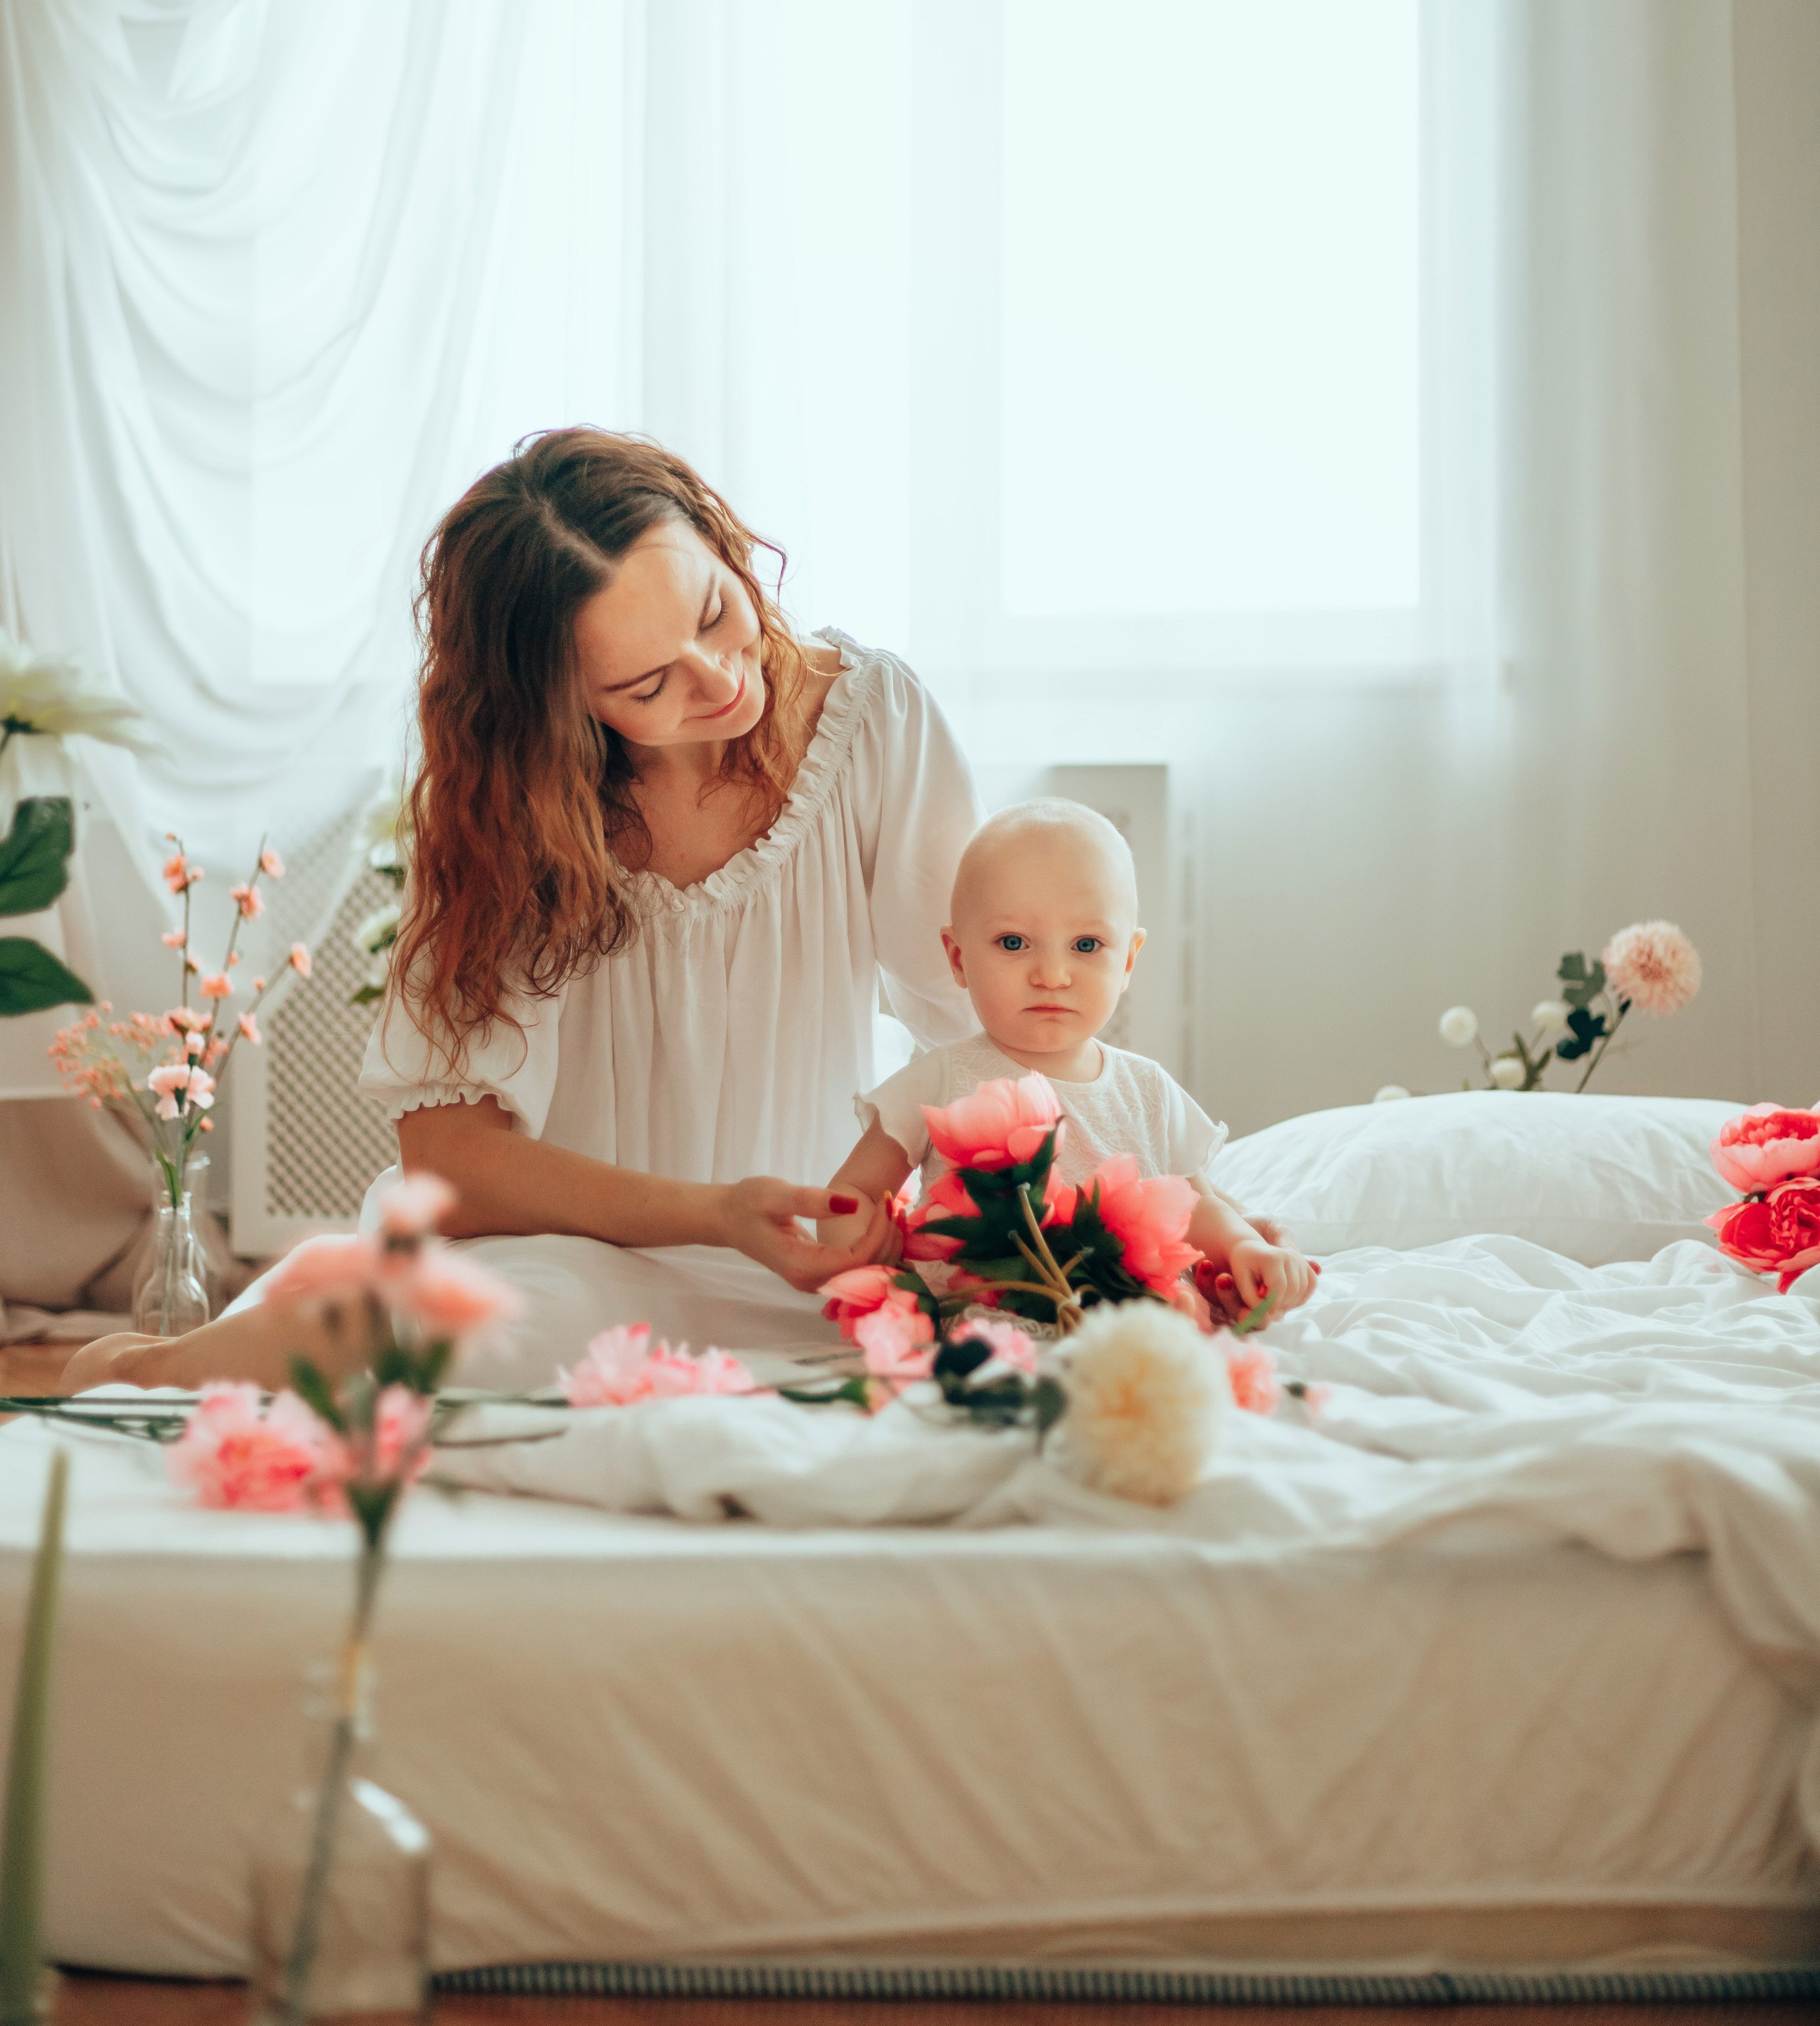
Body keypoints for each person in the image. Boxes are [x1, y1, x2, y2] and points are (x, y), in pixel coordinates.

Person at [66, 428, 983, 1391]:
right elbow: (451, 1163)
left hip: (813, 1258)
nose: (719, 680)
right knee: (493, 1325)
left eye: (715, 611)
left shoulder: (875, 721)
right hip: (570, 1256)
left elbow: (975, 1024)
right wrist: (714, 1215)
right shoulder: (506, 806)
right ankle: (147, 1373)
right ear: (555, 706)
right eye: (646, 683)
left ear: (718, 540)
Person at [830, 799, 1317, 1324]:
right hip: (988, 1321)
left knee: (1179, 1310)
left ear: (1127, 960)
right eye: (1013, 943)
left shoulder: (1146, 1088)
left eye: (1086, 945)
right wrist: (874, 1270)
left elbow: (1196, 1204)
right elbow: (853, 1190)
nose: (1052, 975)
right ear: (958, 957)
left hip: (1127, 1314)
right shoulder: (940, 1079)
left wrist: (1245, 1246)